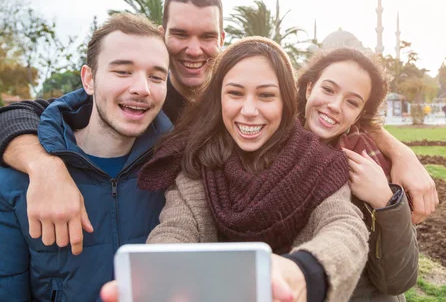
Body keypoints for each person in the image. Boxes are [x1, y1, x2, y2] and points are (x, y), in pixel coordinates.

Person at [0, 0, 437, 256]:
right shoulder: (137, 99)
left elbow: (334, 111)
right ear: (163, 34)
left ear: (224, 38)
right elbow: (15, 116)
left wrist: (401, 152)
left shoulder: (258, 111)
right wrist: (45, 165)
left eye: (206, 36)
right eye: (179, 34)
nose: (193, 49)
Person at [0, 14, 173, 300]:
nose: (142, 88)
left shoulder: (179, 172)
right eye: (122, 71)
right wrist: (46, 167)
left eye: (156, 77)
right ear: (89, 79)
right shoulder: (10, 182)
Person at [137, 37, 370, 301]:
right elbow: (177, 228)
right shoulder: (198, 162)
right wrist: (163, 273)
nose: (249, 110)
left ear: (286, 102)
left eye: (266, 95)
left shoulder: (321, 163)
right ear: (219, 98)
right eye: (235, 93)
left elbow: (345, 226)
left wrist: (303, 271)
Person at [297, 48, 417, 301]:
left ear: (360, 114)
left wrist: (386, 201)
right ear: (309, 89)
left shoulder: (372, 165)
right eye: (328, 90)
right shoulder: (269, 147)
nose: (334, 106)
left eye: (352, 102)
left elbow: (398, 279)